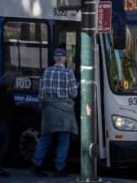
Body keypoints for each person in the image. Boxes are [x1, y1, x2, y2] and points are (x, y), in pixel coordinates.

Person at [31, 48, 79, 177]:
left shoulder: (46, 71)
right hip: (65, 111)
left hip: (49, 110)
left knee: (45, 138)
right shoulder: (68, 73)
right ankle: (59, 168)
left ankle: (37, 164)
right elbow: (74, 93)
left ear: (54, 59)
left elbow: (41, 94)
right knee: (63, 139)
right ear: (64, 58)